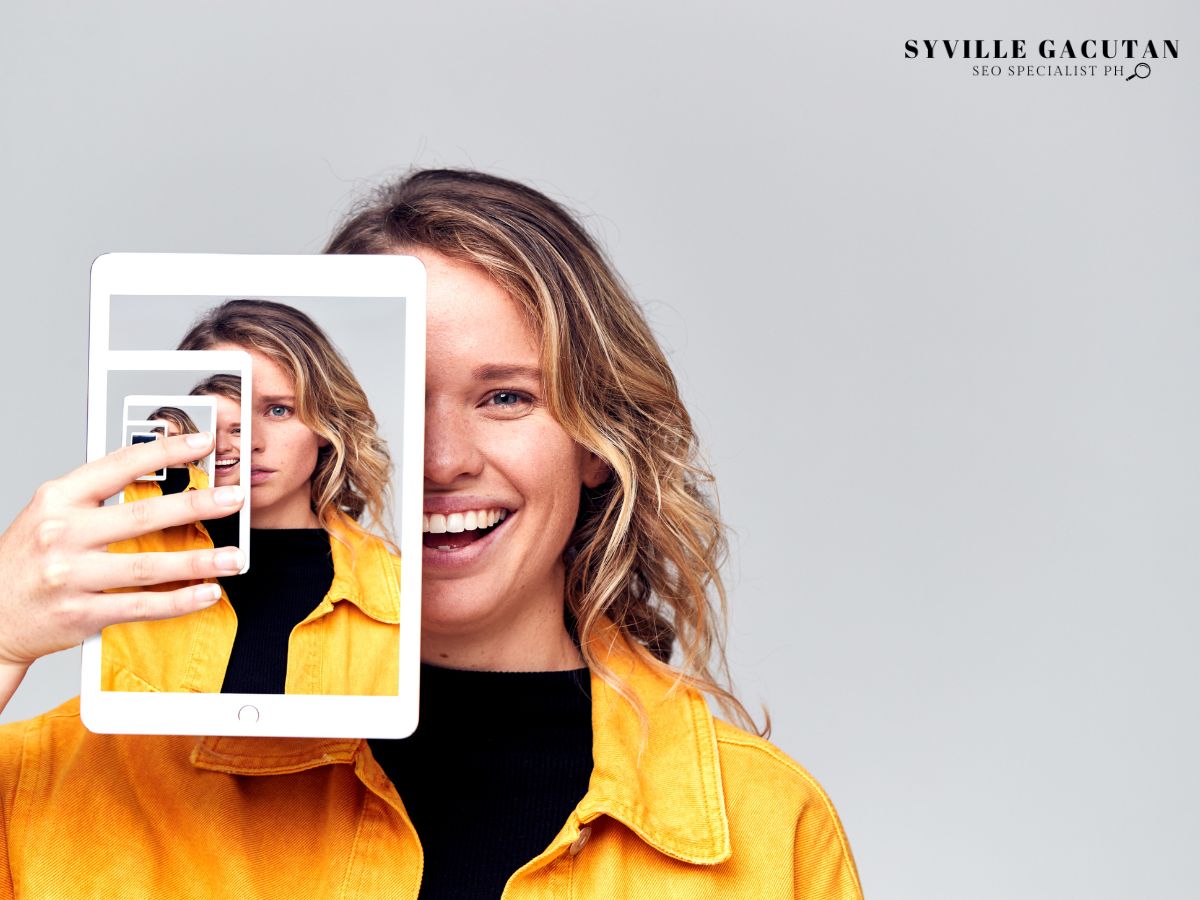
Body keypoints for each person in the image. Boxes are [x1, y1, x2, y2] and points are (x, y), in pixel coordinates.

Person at [0, 170, 862, 898]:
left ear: (596, 445)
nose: (443, 460)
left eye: (506, 397)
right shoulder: (64, 782)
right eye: (405, 399)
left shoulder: (765, 832)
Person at [101, 300, 402, 695]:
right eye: (218, 418)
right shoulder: (124, 564)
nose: (248, 445)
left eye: (278, 410)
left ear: (325, 425)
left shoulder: (399, 588)